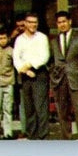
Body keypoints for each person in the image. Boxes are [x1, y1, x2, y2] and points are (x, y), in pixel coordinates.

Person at [50, 10, 78, 140]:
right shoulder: (54, 40)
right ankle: (66, 139)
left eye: (64, 21)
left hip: (77, 79)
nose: (62, 24)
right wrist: (53, 75)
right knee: (62, 111)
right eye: (59, 22)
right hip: (59, 80)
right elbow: (51, 60)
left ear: (70, 21)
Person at [12, 11, 51, 139]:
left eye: (35, 22)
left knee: (41, 107)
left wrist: (29, 64)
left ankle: (43, 136)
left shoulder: (42, 37)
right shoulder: (19, 39)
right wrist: (24, 70)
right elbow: (16, 58)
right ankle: (32, 135)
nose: (33, 25)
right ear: (25, 23)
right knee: (29, 108)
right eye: (30, 22)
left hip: (39, 74)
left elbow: (44, 57)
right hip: (25, 75)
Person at [0, 26, 16, 139]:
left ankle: (8, 132)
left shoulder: (12, 51)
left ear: (8, 38)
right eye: (0, 38)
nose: (2, 40)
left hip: (9, 81)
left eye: (4, 38)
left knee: (7, 108)